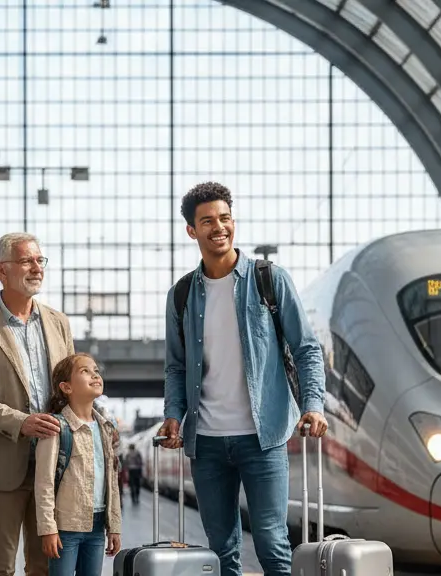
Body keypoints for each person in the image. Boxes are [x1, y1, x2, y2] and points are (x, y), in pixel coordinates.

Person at [158, 182, 328, 576]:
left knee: (272, 542)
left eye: (225, 218)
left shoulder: (270, 280)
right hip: (208, 443)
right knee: (221, 550)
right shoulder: (181, 294)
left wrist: (313, 405)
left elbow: (306, 349)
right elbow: (176, 366)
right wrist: (172, 414)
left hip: (263, 437)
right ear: (191, 231)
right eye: (207, 221)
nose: (219, 227)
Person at [0, 232, 77, 576]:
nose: (36, 267)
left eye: (40, 260)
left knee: (46, 564)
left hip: (54, 466)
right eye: (27, 261)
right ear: (2, 270)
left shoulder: (59, 323)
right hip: (2, 467)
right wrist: (21, 422)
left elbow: (71, 389)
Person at [34, 353, 122, 576]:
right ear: (67, 387)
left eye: (96, 371)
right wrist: (48, 529)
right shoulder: (56, 427)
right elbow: (43, 482)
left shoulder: (106, 428)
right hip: (65, 528)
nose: (95, 375)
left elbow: (112, 481)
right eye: (85, 371)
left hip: (97, 526)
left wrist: (114, 526)